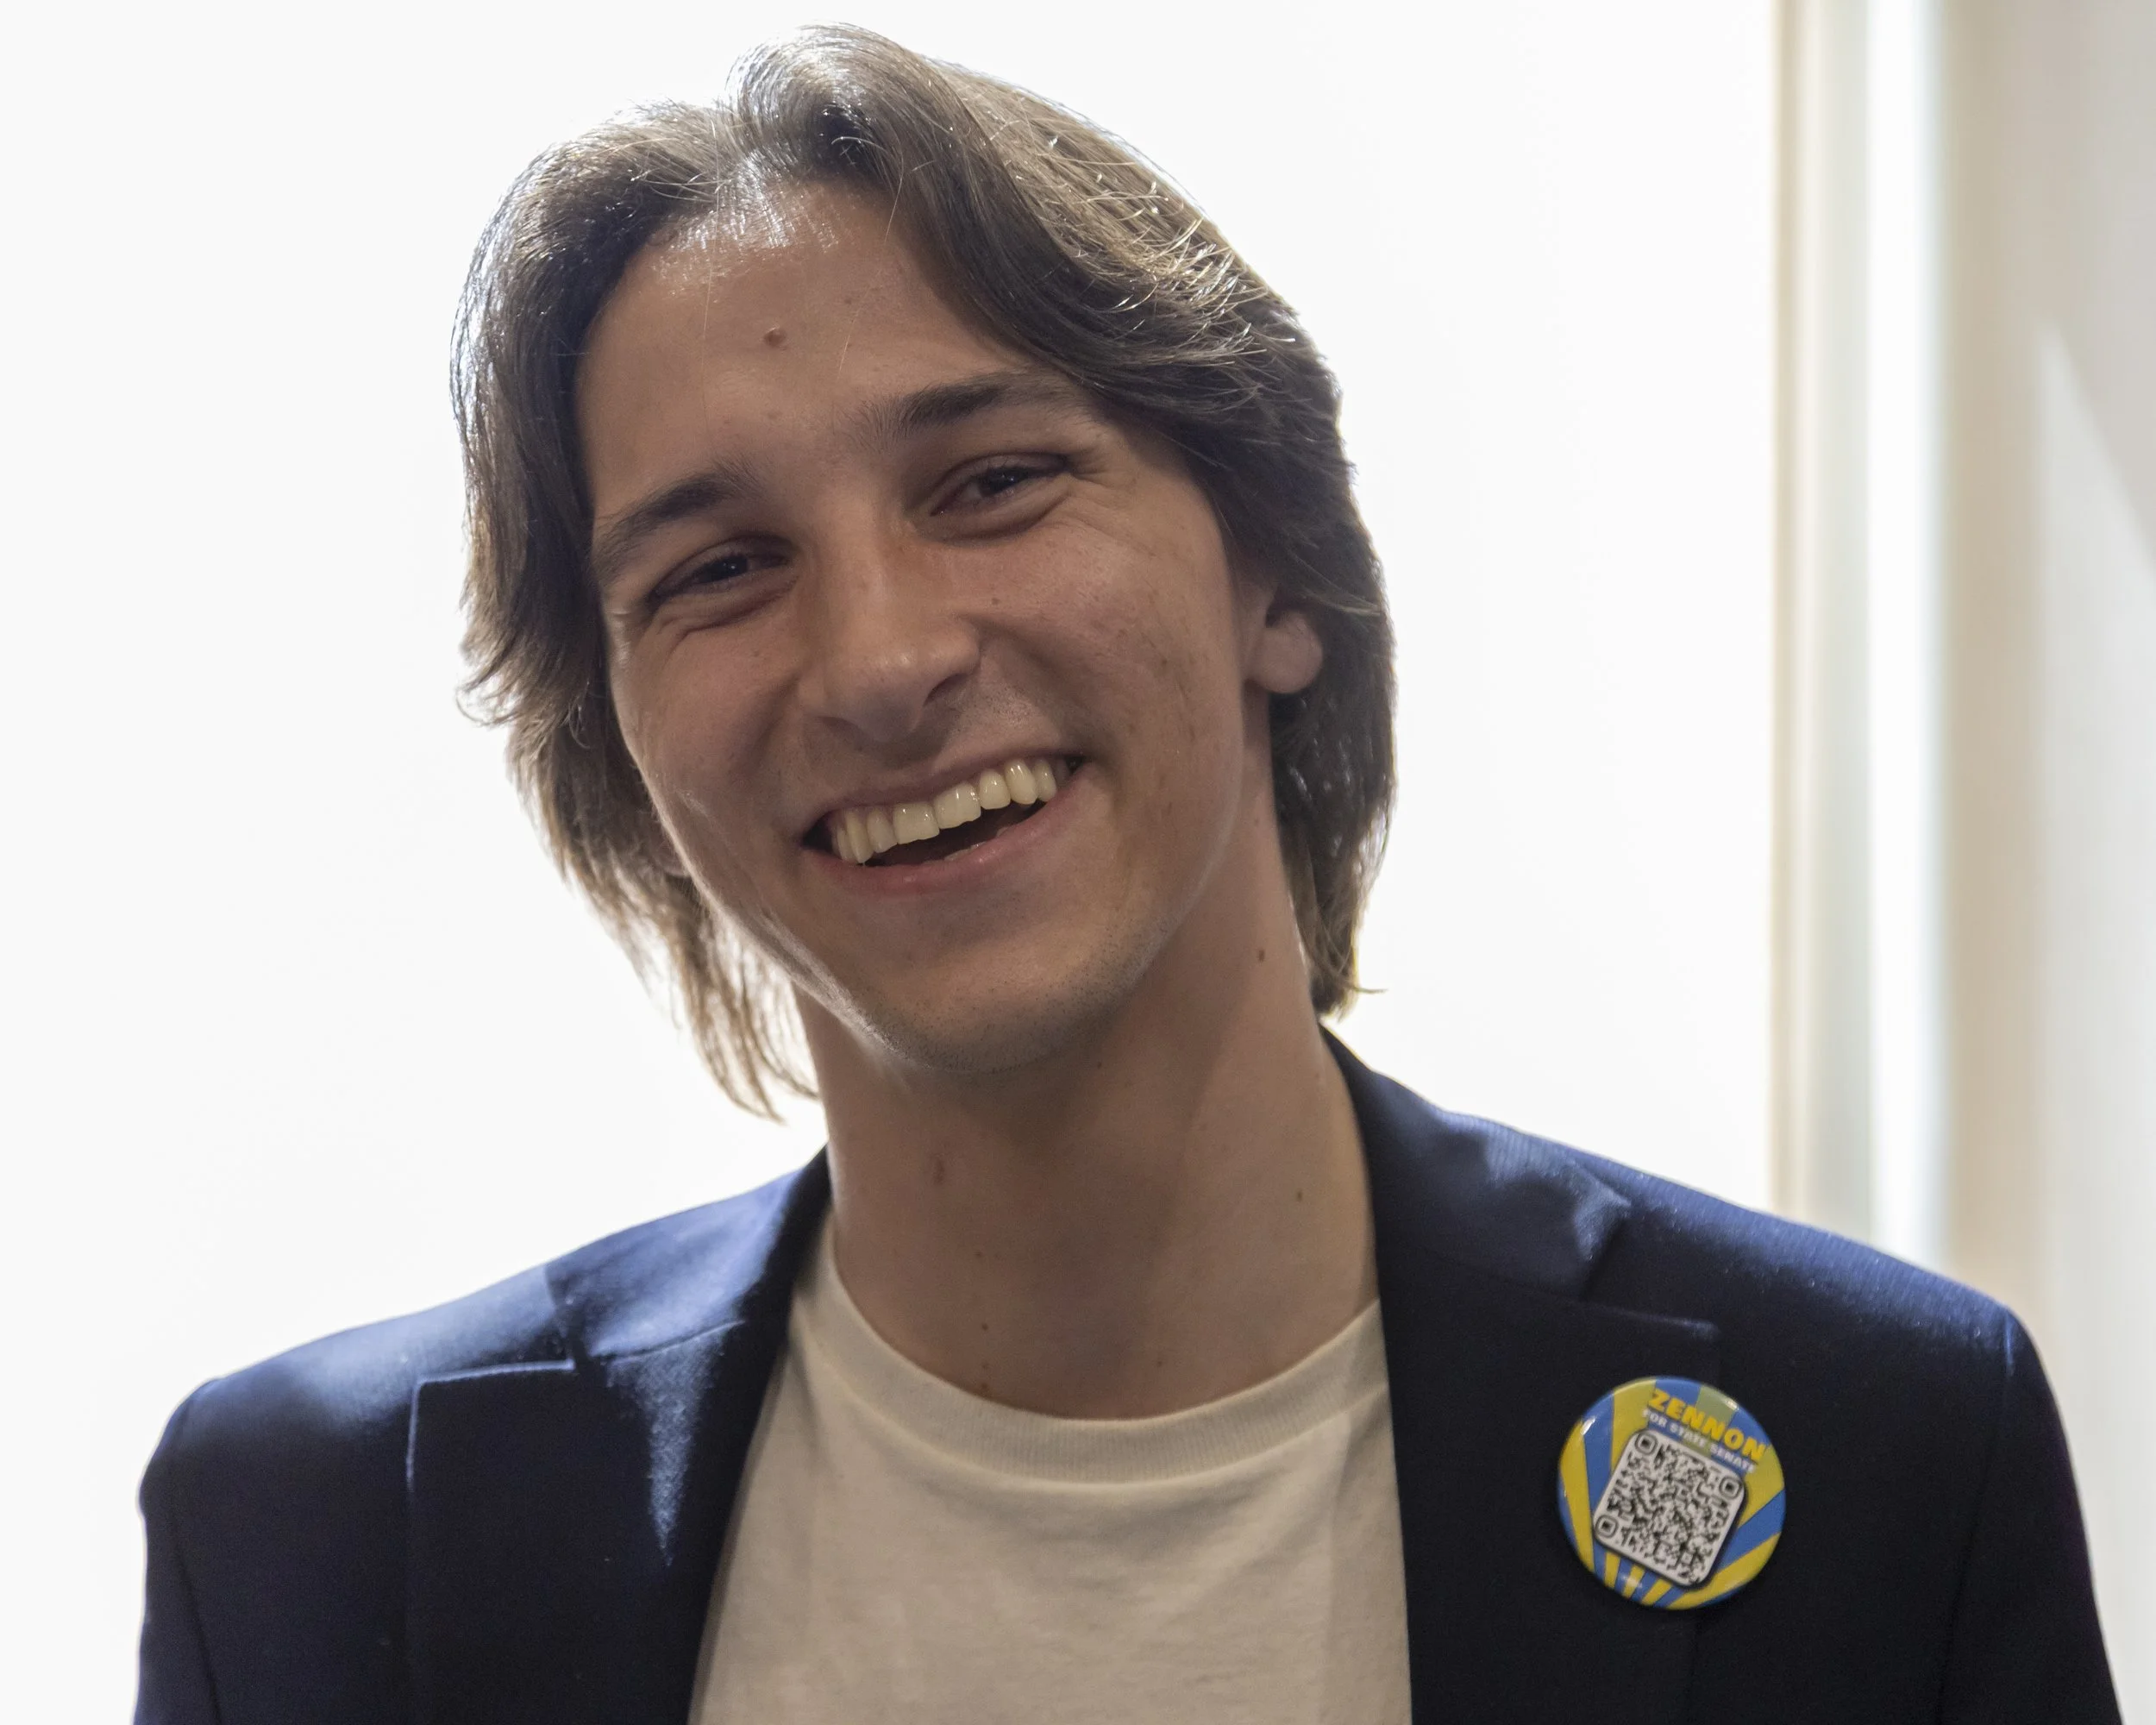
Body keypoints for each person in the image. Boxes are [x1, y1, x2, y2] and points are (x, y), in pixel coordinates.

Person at [135, 27, 2118, 1725]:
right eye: (719, 569)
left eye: (992, 482)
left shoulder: (1882, 1452)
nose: (881, 661)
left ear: (1276, 579)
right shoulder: (322, 1531)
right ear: (623, 749)